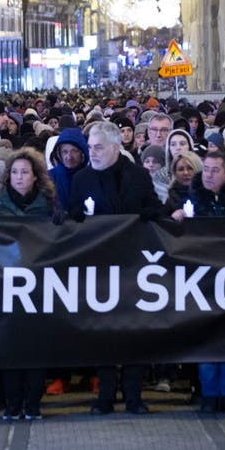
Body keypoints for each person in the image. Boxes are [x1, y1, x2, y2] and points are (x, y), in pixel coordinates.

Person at [68, 121, 162, 415]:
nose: (92, 153)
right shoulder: (82, 179)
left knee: (136, 331)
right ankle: (105, 395)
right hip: (99, 267)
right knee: (103, 333)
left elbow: (154, 210)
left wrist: (143, 216)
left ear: (115, 147)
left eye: (98, 147)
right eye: (90, 148)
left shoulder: (136, 176)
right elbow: (74, 215)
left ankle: (133, 395)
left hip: (134, 267)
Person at [169, 151, 225, 414]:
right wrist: (177, 220)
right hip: (204, 281)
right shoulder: (193, 201)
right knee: (208, 340)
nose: (208, 175)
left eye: (214, 170)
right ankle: (209, 394)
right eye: (206, 170)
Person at [0, 148, 56, 420]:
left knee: (36, 349)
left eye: (24, 172)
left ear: (35, 177)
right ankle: (12, 404)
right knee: (10, 349)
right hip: (6, 285)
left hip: (38, 285)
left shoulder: (48, 206)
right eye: (14, 172)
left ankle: (33, 403)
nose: (19, 177)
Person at [48, 127, 89, 211]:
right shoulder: (48, 178)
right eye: (65, 152)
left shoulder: (91, 178)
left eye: (74, 151)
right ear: (59, 154)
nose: (69, 157)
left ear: (82, 153)